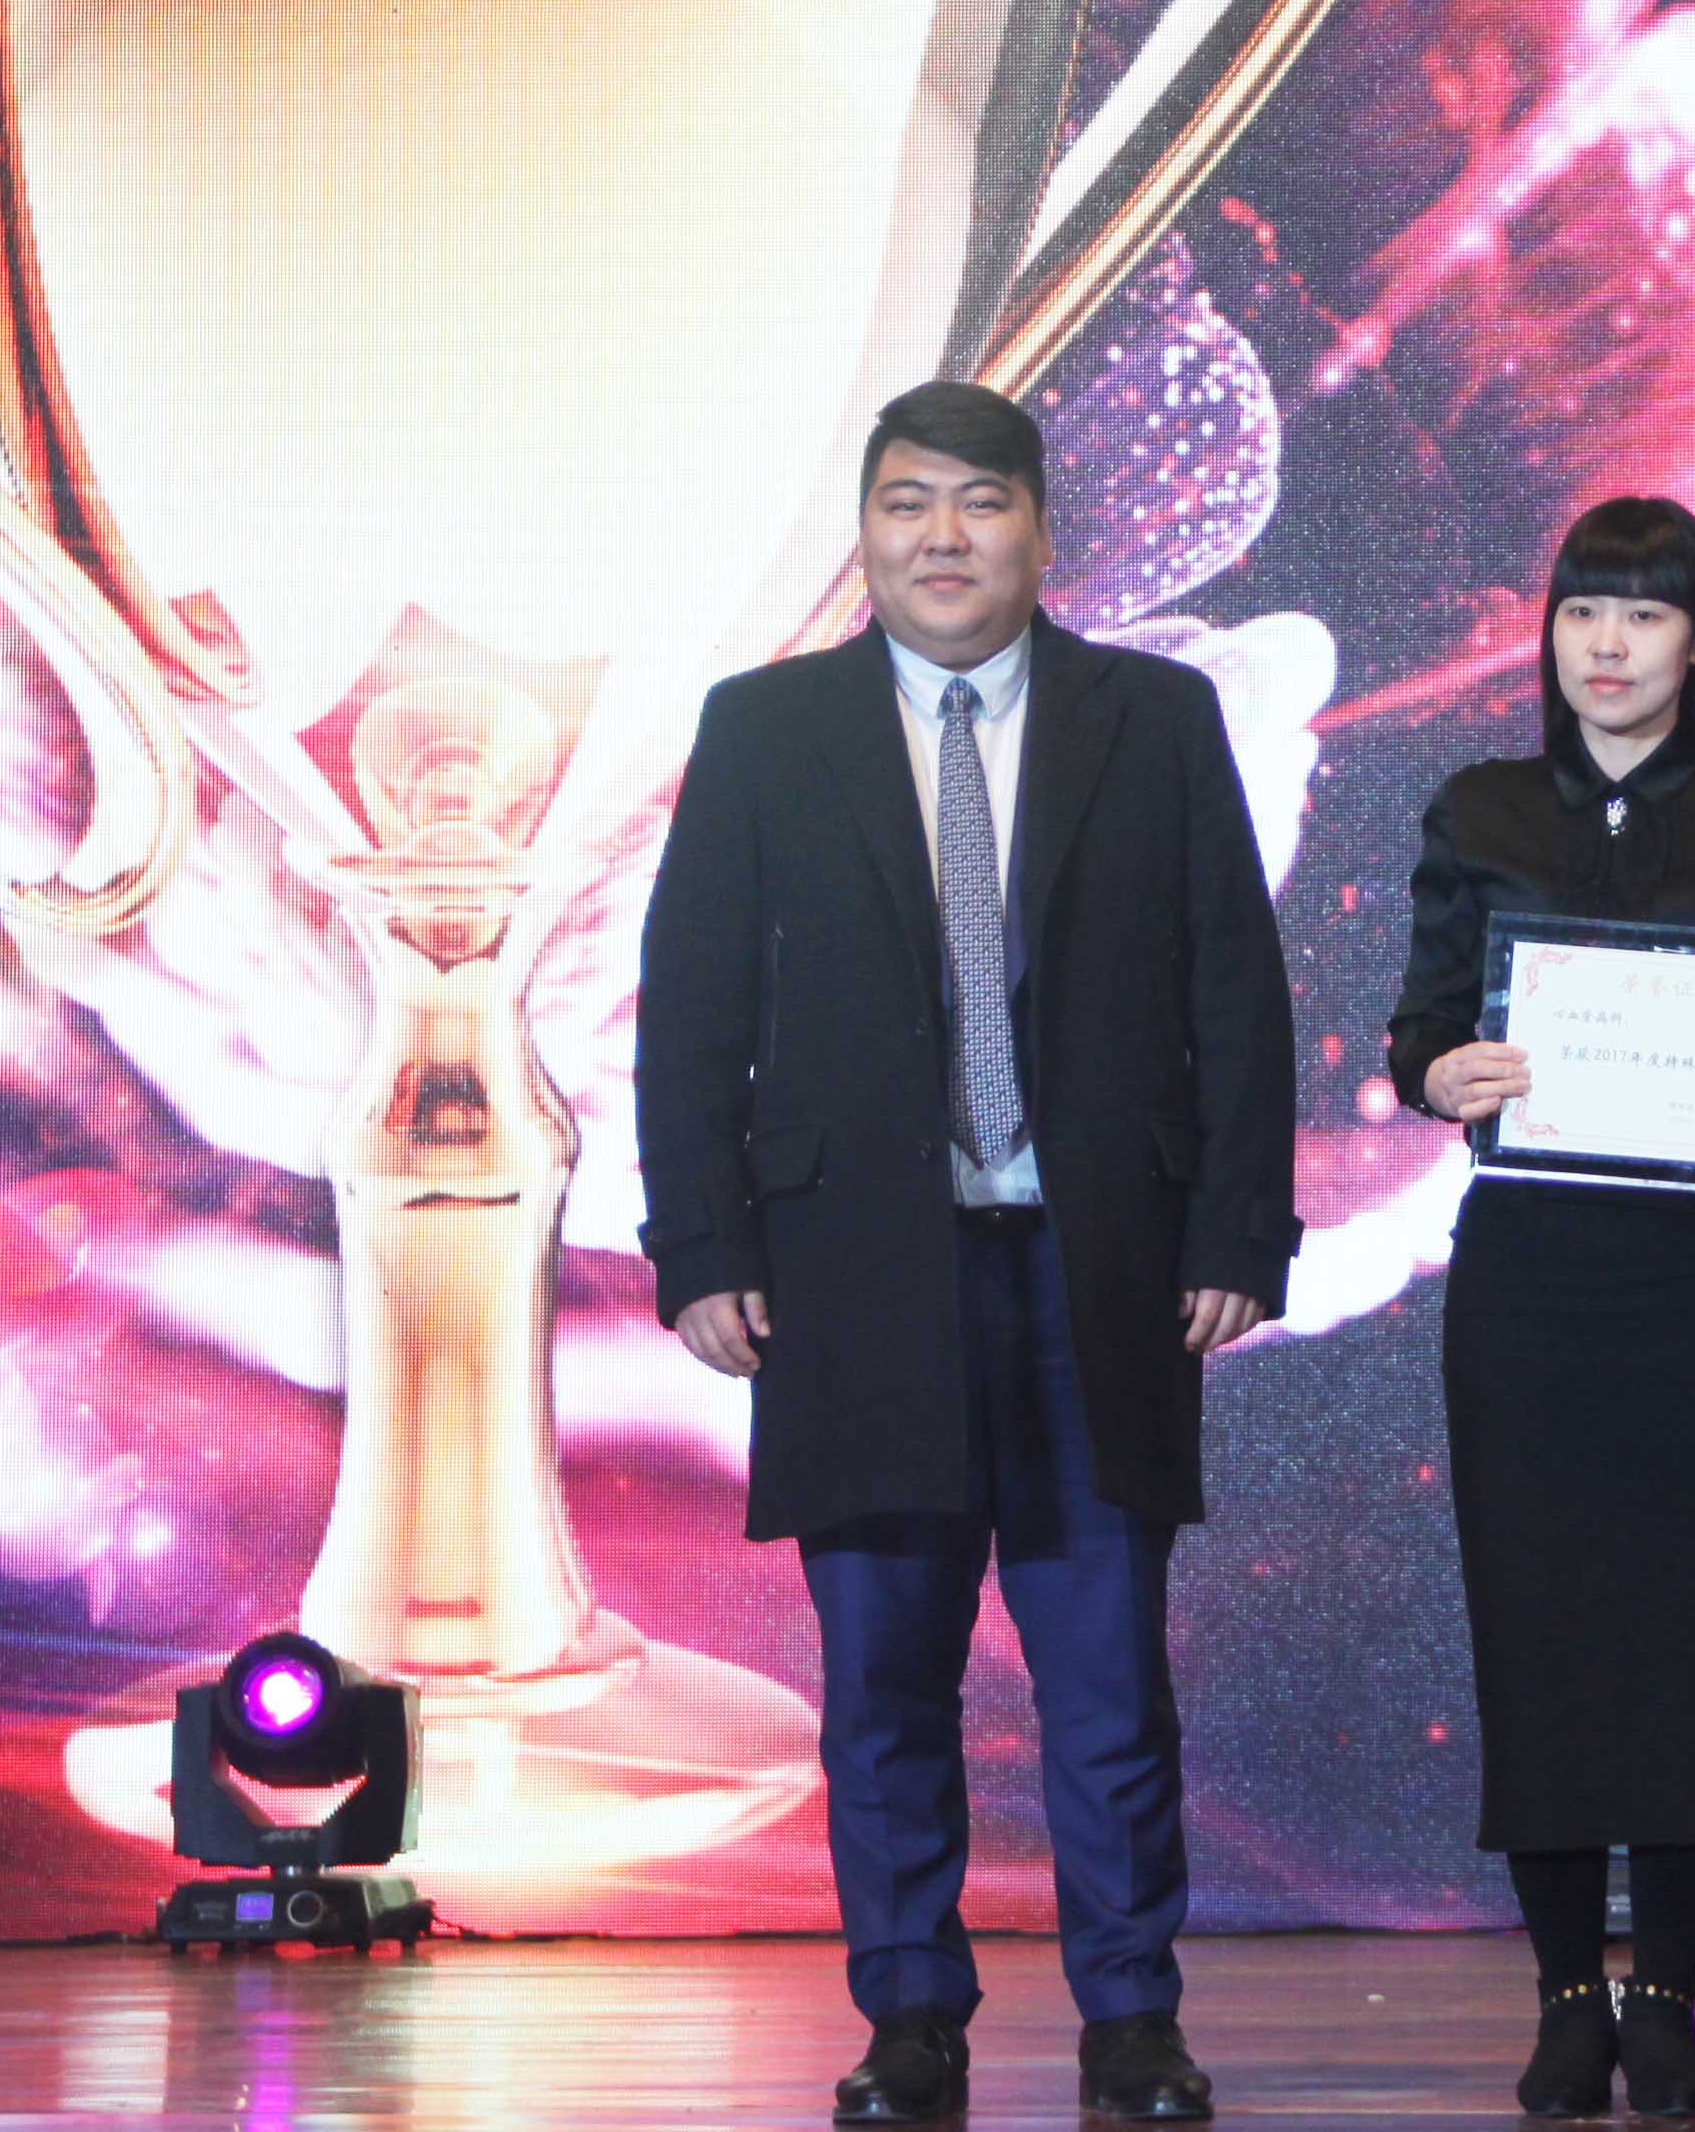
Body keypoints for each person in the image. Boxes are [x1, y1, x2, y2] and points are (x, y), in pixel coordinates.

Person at [636, 381, 1299, 2125]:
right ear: (863, 533)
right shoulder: (767, 728)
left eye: (981, 502)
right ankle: (910, 2016)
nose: (944, 537)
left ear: (1042, 530)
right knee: (882, 1683)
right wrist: (699, 1246)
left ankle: (1131, 2020)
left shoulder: (1152, 718)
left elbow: (1236, 993)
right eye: (908, 502)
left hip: (1097, 1273)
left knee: (1107, 1684)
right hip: (855, 1279)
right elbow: (691, 1011)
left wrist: (1238, 1227)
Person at [1386, 497, 1695, 2120]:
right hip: (1531, 1280)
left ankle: (1664, 1995)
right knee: (1542, 1632)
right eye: (1584, 611)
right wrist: (1440, 1074)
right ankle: (1563, 1996)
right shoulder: (1481, 806)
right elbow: (1420, 1031)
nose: (1608, 644)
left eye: (1645, 616)